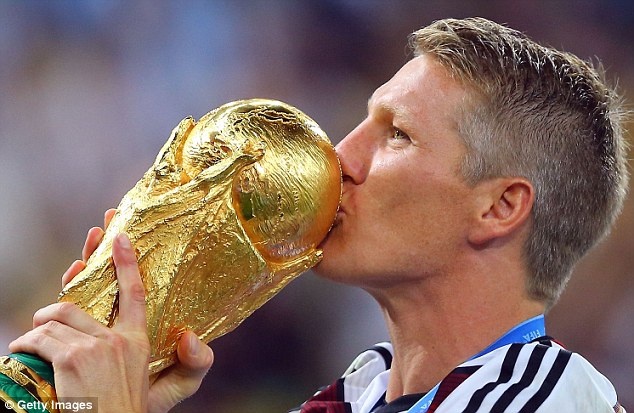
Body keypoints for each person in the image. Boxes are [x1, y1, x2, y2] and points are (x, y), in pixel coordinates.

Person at [9, 16, 628, 412]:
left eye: (397, 135)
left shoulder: (547, 400)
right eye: (362, 121)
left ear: (499, 207)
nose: (340, 157)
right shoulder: (351, 397)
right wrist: (73, 402)